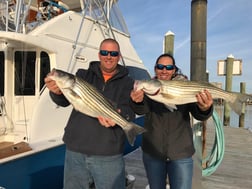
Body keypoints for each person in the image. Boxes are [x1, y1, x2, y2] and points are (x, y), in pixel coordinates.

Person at [44, 38, 135, 189]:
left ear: (119, 56)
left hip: (108, 154)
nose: (109, 56)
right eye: (105, 52)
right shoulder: (83, 75)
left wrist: (120, 115)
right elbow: (64, 101)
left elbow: (130, 110)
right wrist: (56, 92)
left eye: (113, 53)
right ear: (99, 55)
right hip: (76, 152)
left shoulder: (128, 82)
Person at [130, 53, 213, 189]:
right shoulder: (149, 88)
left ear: (174, 70)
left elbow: (199, 114)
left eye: (168, 67)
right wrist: (136, 101)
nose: (164, 70)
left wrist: (205, 108)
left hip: (181, 154)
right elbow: (140, 109)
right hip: (153, 152)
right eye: (160, 66)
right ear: (155, 69)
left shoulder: (184, 86)